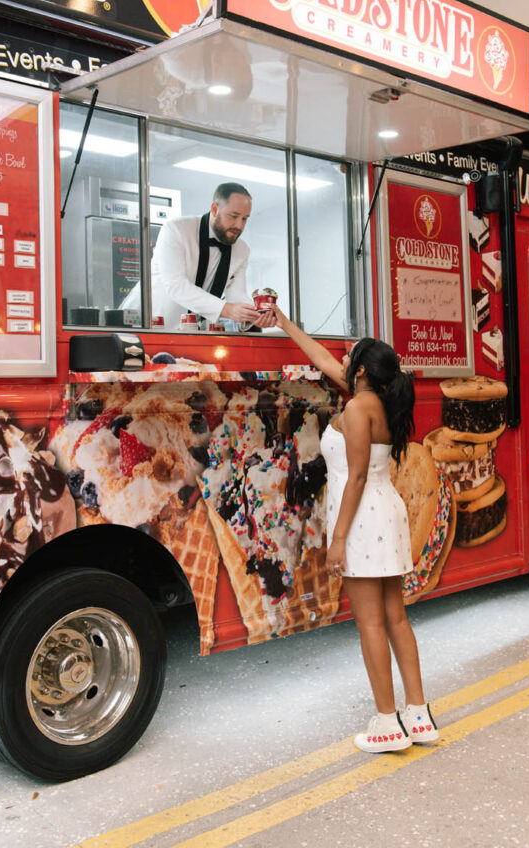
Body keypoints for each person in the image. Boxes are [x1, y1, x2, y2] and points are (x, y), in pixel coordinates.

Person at [273, 306, 438, 753]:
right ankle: (418, 715)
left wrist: (339, 539)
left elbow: (358, 476)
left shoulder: (357, 406)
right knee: (396, 618)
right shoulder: (378, 401)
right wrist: (285, 323)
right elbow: (325, 362)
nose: (341, 360)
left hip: (363, 518)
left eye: (350, 358)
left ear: (361, 370)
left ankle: (387, 723)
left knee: (369, 623)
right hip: (387, 513)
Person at [151, 182, 275, 330]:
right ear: (215, 209)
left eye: (244, 218)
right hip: (152, 327)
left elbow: (237, 294)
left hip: (197, 335)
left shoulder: (242, 249)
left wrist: (253, 316)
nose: (239, 225)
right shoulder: (176, 229)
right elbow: (176, 285)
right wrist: (227, 309)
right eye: (234, 216)